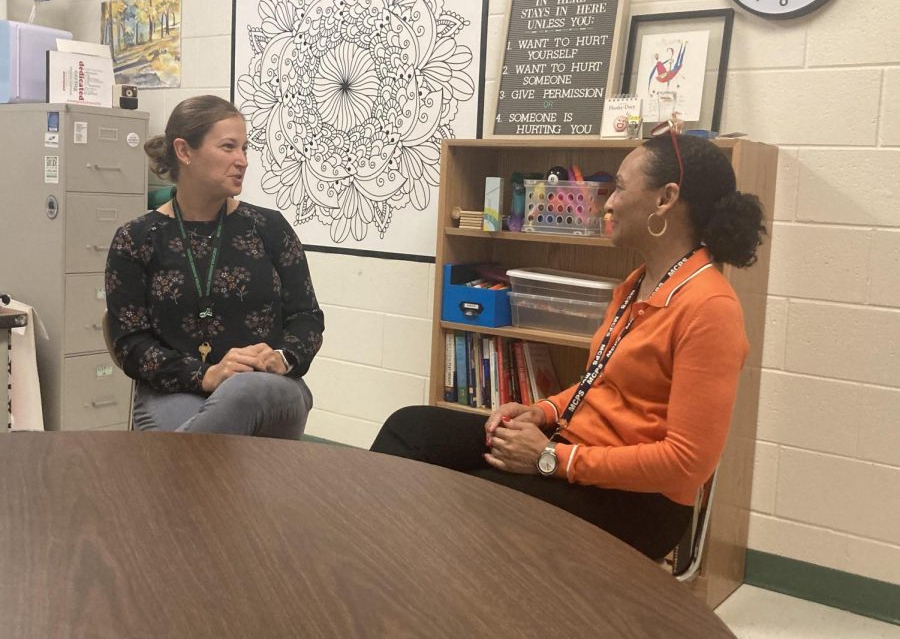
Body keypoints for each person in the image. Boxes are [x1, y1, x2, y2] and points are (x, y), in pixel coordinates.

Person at [370, 130, 765, 560]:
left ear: (665, 199)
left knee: (473, 500)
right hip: (571, 449)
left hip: (638, 502)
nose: (606, 203)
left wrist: (552, 460)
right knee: (410, 429)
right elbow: (603, 385)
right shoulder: (639, 283)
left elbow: (688, 463)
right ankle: (372, 564)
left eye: (619, 188)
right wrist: (541, 412)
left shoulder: (710, 307)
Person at [105, 95, 324, 438]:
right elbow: (130, 343)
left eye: (245, 148)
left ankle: (155, 479)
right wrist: (206, 375)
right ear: (184, 151)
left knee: (242, 391)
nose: (242, 161)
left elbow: (307, 317)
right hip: (175, 387)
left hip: (269, 386)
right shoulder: (136, 239)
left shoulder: (269, 229)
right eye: (228, 147)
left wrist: (282, 357)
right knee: (197, 435)